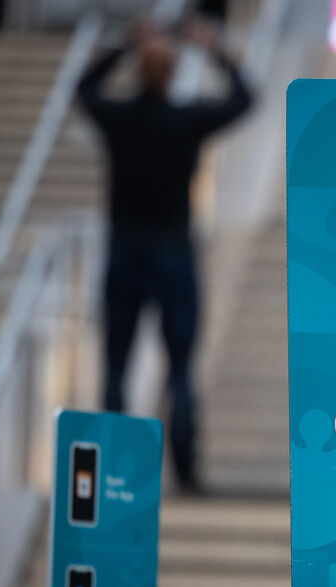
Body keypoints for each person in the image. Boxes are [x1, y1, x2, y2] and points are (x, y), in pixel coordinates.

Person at [77, 17, 252, 492]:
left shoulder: (120, 117)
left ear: (139, 72)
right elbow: (244, 99)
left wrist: (126, 42)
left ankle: (112, 470)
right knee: (180, 370)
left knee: (116, 365)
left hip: (125, 249)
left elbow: (84, 89)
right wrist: (215, 50)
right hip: (173, 253)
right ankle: (186, 473)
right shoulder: (185, 119)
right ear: (172, 75)